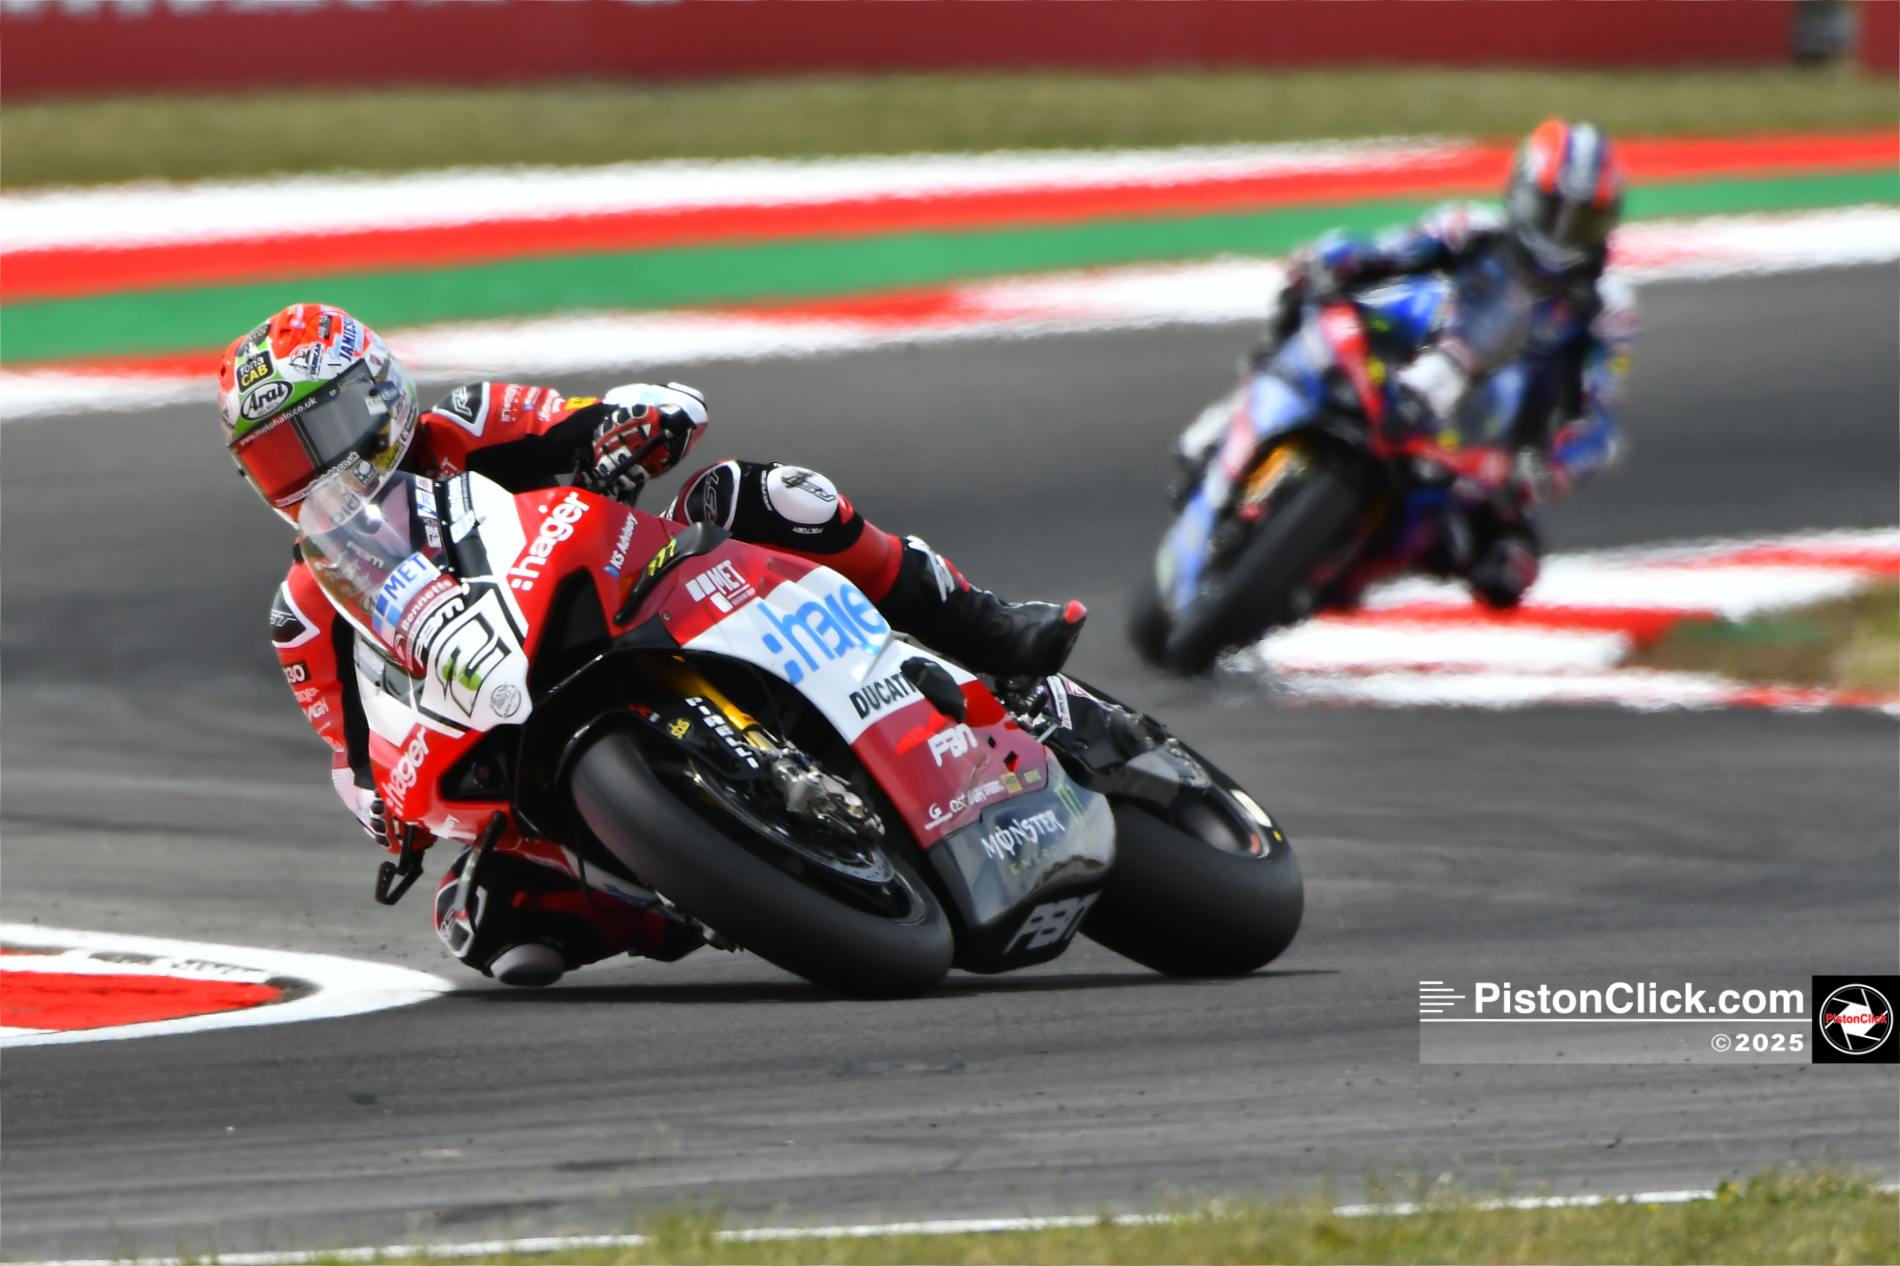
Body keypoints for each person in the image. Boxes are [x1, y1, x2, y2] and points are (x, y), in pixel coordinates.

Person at [222, 303, 1086, 986]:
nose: (309, 471)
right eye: (274, 460)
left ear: (376, 395)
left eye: (317, 433)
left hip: (619, 594)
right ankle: (694, 892)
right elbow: (352, 752)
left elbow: (607, 417)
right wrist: (388, 813)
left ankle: (976, 624)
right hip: (501, 717)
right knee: (488, 924)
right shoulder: (305, 610)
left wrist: (630, 432)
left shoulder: (470, 425)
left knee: (764, 494)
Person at [1218, 118, 1637, 607]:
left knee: (1509, 573)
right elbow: (1385, 251)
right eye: (1552, 212)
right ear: (1522, 194)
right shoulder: (1468, 230)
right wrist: (1338, 262)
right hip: (1402, 366)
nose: (1563, 237)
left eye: (1581, 222)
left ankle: (1343, 573)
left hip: (1484, 449)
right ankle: (1243, 416)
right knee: (1309, 294)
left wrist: (1554, 464)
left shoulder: (1607, 309)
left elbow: (1599, 414)